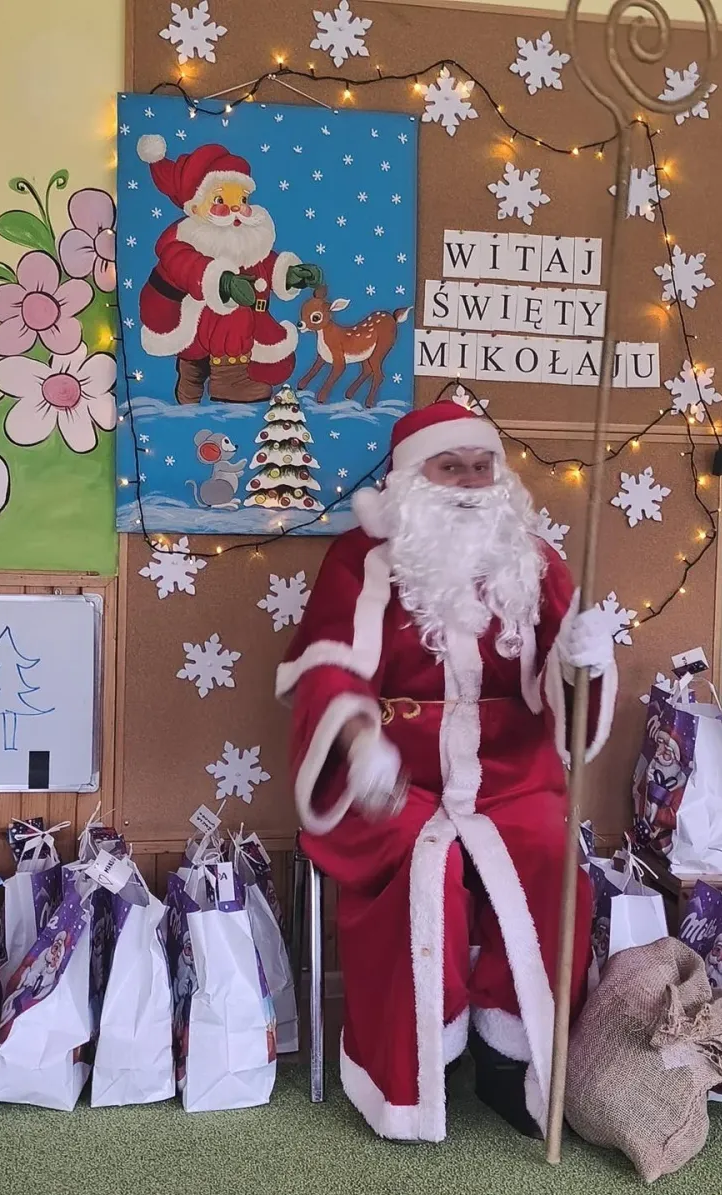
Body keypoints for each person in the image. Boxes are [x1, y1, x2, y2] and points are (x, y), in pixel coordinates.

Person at [278, 399, 617, 1143]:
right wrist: (359, 743)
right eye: (449, 466)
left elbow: (564, 683)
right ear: (411, 479)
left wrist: (584, 662)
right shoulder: (361, 559)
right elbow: (327, 666)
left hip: (512, 767)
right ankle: (419, 1062)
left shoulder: (535, 559)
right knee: (421, 868)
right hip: (396, 767)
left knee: (552, 860)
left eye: (480, 466)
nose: (468, 481)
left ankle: (509, 1057)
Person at [136, 136, 322, 404]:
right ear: (195, 205)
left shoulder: (243, 238)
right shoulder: (186, 237)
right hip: (178, 311)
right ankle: (227, 380)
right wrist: (223, 283)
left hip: (223, 319)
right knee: (233, 312)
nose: (236, 208)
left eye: (242, 198)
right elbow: (185, 266)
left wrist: (290, 274)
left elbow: (263, 262)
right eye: (221, 198)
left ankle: (198, 371)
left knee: (270, 351)